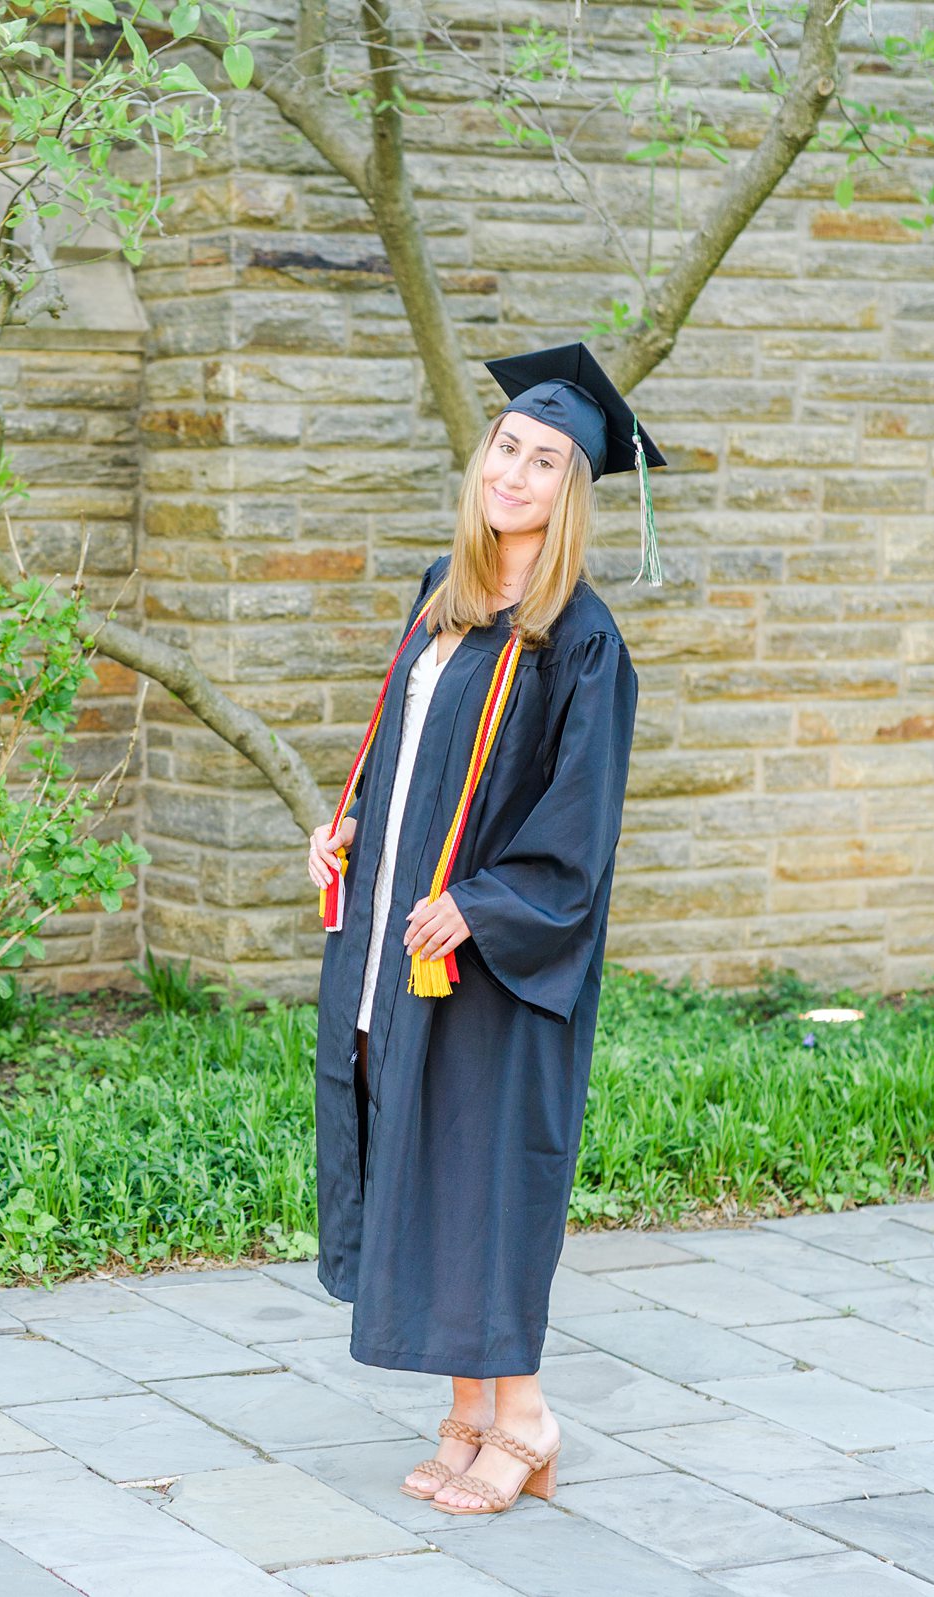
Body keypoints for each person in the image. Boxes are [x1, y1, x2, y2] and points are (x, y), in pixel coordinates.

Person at [304, 341, 656, 1517]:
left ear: (572, 490)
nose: (514, 470)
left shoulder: (583, 641)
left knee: (489, 1173)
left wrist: (487, 904)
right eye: (506, 445)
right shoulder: (443, 597)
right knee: (430, 1163)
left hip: (497, 958)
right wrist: (346, 823)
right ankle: (468, 1409)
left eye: (543, 458)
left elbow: (579, 831)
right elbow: (409, 758)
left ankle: (529, 1416)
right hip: (402, 947)